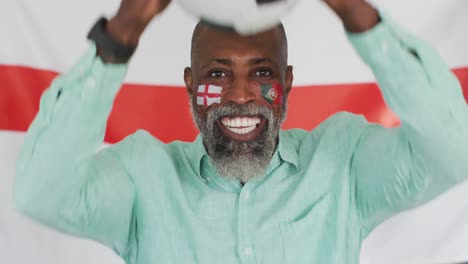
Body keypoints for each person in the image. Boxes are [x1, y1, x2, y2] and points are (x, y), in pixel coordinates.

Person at [13, 0, 468, 263]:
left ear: (286, 84)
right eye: (217, 75)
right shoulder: (142, 178)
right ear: (190, 85)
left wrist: (359, 16)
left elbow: (453, 149)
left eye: (262, 73)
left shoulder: (343, 165)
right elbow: (41, 192)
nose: (243, 95)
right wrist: (119, 36)